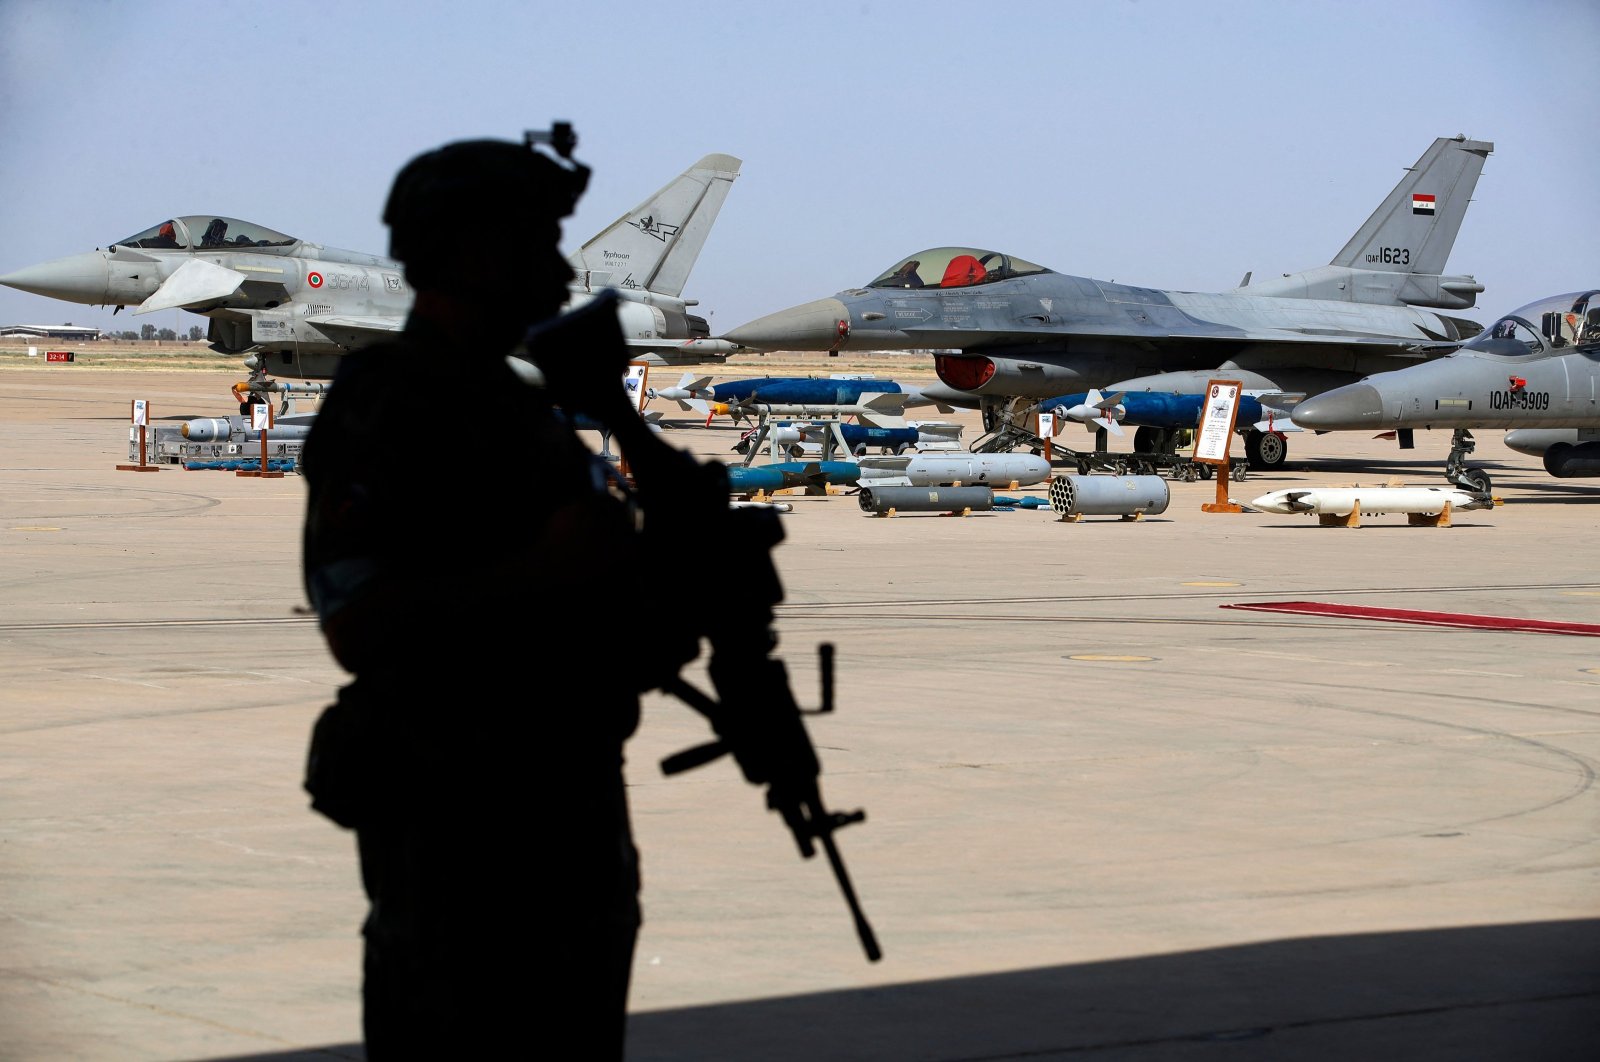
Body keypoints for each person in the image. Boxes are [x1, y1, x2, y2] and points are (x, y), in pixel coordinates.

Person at [300, 130, 704, 1059]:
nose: (560, 268)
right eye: (535, 241)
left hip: (566, 826)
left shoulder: (522, 409)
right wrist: (550, 570)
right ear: (471, 249)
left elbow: (587, 617)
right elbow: (359, 626)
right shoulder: (390, 407)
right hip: (460, 842)